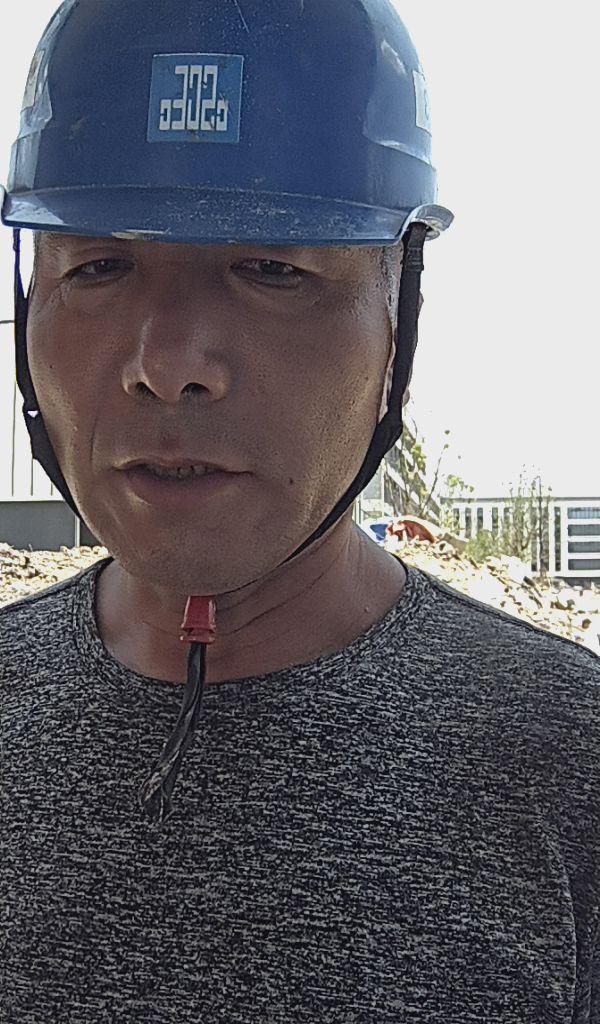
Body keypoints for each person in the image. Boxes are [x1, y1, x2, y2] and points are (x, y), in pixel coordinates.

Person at [0, 2, 598, 1021]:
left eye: (271, 269)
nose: (167, 364)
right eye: (100, 266)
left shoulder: (566, 764)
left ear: (400, 319)